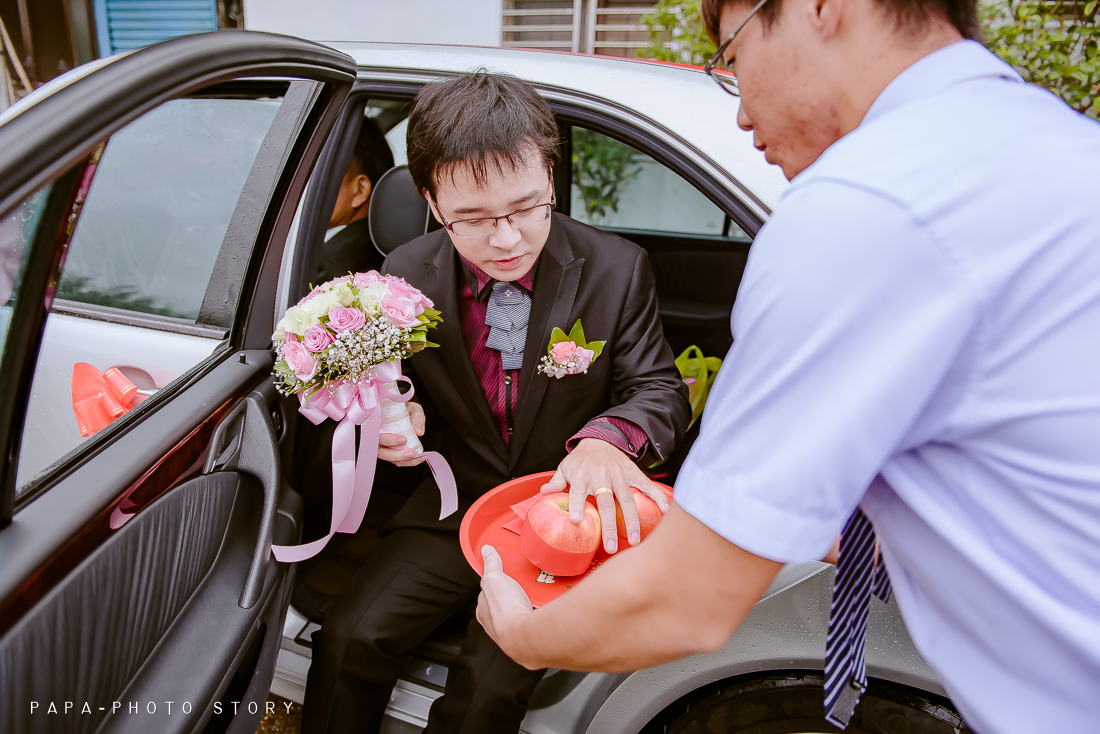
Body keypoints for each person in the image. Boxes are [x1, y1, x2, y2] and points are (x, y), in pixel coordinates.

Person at [475, 0, 1100, 731]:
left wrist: (524, 635)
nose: (740, 113)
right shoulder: (1058, 142)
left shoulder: (865, 205)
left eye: (733, 58)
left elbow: (688, 598)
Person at [299, 71, 692, 734]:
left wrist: (606, 440)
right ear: (429, 195)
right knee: (348, 638)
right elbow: (395, 385)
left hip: (564, 516)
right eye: (474, 219)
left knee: (489, 685)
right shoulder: (404, 274)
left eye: (526, 207)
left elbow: (657, 388)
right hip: (455, 503)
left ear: (551, 177)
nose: (507, 239)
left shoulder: (616, 268)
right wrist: (396, 418)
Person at [315, 116, 394, 284]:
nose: (310, 188)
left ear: (360, 190)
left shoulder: (327, 266)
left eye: (322, 176)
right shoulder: (387, 246)